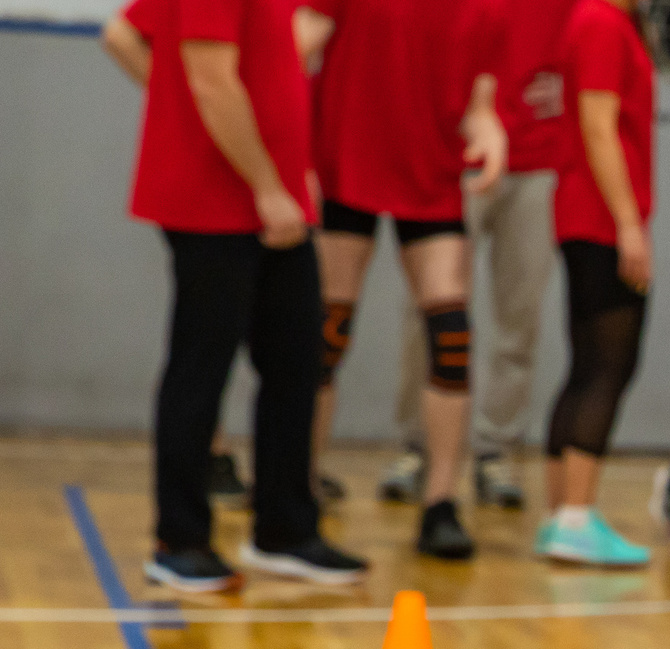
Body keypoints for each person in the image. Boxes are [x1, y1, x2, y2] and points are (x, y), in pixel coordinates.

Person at [107, 0, 368, 595]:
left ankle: (285, 530)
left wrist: (287, 179)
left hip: (272, 198)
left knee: (295, 359)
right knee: (202, 365)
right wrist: (266, 185)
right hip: (217, 203)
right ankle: (180, 540)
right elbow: (209, 78)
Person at [304, 0, 509, 562]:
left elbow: (479, 105)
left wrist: (490, 135)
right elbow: (298, 49)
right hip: (345, 161)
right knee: (325, 334)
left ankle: (441, 502)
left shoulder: (489, 10)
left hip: (430, 173)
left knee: (451, 337)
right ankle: (301, 486)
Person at [377, 0, 577, 515]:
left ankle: (495, 451)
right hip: (454, 156)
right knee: (432, 313)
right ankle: (415, 447)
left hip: (537, 160)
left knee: (519, 317)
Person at [534, 0, 656, 566]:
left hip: (584, 214)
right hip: (600, 218)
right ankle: (576, 518)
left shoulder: (592, 20)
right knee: (609, 365)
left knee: (585, 365)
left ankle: (559, 516)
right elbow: (598, 126)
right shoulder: (604, 23)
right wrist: (628, 223)